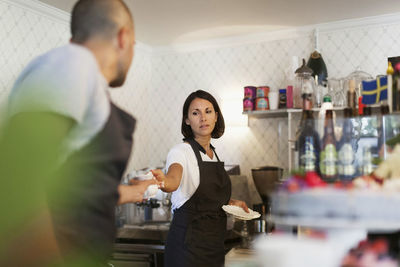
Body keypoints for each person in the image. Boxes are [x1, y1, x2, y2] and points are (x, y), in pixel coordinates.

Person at [0, 0, 156, 266]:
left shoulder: (78, 76)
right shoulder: (73, 63)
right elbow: (18, 177)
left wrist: (134, 191)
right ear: (124, 37)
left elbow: (71, 190)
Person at [152, 90, 249, 267]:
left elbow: (207, 199)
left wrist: (231, 202)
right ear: (187, 120)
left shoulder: (213, 154)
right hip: (187, 249)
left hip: (213, 247)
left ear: (216, 116)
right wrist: (164, 182)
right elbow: (173, 179)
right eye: (195, 113)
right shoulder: (180, 151)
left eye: (208, 111)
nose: (203, 118)